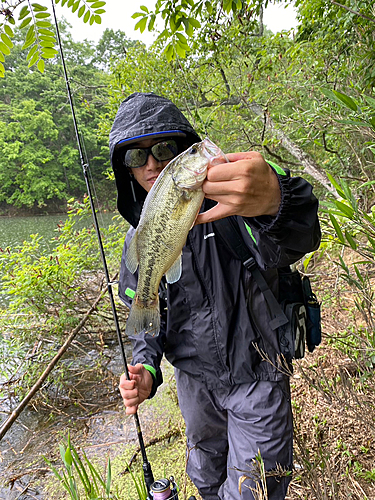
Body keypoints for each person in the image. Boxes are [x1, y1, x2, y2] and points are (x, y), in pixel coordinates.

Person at [110, 92, 321, 499]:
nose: (151, 163)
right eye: (136, 157)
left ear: (182, 151)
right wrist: (145, 371)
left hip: (257, 375)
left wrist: (277, 198)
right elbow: (150, 325)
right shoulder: (139, 238)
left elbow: (301, 235)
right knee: (206, 479)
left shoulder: (238, 206)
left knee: (253, 490)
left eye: (164, 149)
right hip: (194, 385)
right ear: (126, 171)